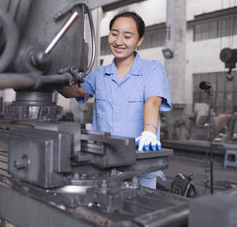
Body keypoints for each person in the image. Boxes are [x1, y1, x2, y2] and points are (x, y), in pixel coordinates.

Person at [58, 11, 171, 189]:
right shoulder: (99, 75)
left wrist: (149, 131)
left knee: (141, 210)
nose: (119, 42)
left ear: (139, 40)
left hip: (140, 163)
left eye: (127, 36)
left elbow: (153, 102)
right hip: (104, 164)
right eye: (114, 33)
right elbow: (72, 92)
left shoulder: (152, 69)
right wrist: (51, 75)